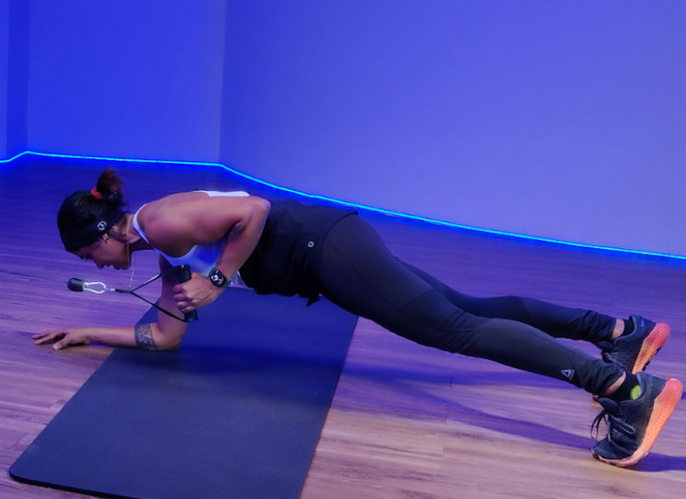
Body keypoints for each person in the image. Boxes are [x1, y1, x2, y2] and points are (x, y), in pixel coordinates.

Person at [33, 167, 681, 468]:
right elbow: (168, 334)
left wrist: (222, 278)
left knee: (456, 329)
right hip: (331, 250)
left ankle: (628, 392)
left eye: (89, 251)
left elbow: (254, 210)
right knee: (469, 310)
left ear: (102, 231)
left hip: (325, 250)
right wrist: (92, 331)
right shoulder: (156, 240)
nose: (97, 262)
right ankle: (619, 333)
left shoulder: (163, 222)